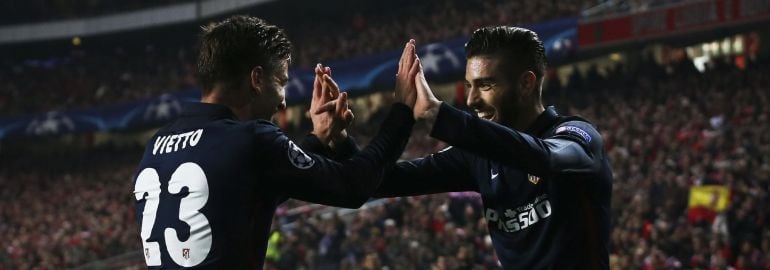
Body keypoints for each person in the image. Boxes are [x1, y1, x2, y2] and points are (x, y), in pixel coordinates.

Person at [313, 26, 613, 269]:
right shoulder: (476, 156)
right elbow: (383, 181)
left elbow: (547, 158)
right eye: (469, 86)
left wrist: (438, 115)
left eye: (486, 85)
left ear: (526, 84)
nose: (470, 101)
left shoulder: (577, 135)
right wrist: (339, 141)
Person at [131, 15, 417, 269]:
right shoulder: (251, 138)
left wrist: (318, 138)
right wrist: (403, 110)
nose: (282, 101)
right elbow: (353, 186)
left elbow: (258, 190)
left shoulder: (156, 145)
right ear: (257, 79)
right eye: (281, 82)